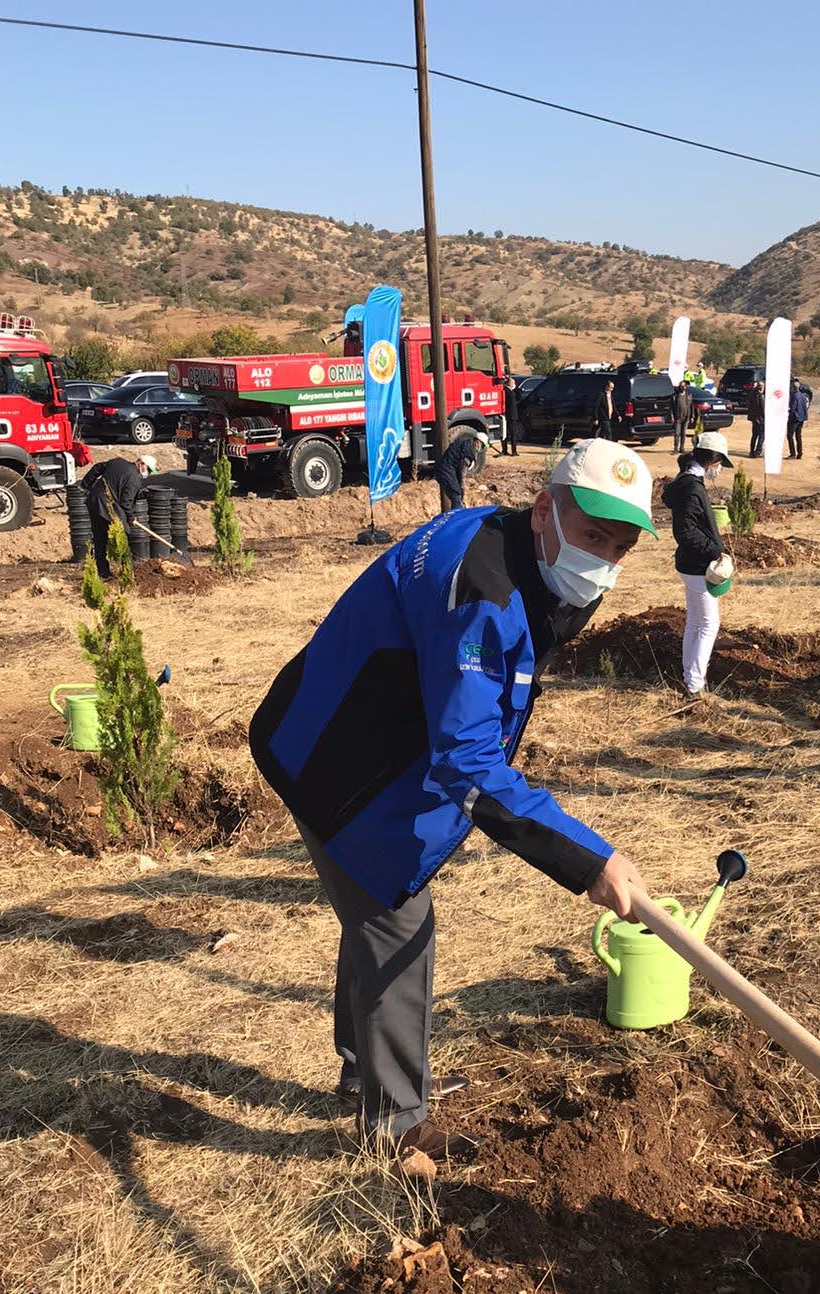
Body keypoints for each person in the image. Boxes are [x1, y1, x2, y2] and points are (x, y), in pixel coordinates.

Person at [249, 438, 656, 1162]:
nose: (606, 557)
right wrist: (589, 860)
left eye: (622, 545)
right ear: (543, 511)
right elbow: (466, 759)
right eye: (594, 535)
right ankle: (395, 1125)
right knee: (398, 922)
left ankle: (364, 1073)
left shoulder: (533, 557)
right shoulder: (481, 593)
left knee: (374, 916)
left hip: (359, 726)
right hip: (331, 754)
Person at [662, 431, 733, 699]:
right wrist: (714, 549)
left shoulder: (688, 483)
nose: (720, 470)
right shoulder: (692, 488)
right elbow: (685, 532)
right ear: (712, 460)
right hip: (697, 564)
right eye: (720, 464)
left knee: (695, 622)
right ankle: (694, 685)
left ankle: (689, 677)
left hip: (691, 563)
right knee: (709, 624)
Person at [82, 453, 156, 577]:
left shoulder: (118, 461)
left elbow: (98, 468)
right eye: (148, 469)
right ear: (141, 464)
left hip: (94, 502)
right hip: (107, 508)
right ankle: (127, 571)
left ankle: (103, 573)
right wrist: (131, 517)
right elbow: (126, 501)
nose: (147, 473)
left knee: (100, 539)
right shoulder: (135, 479)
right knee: (123, 536)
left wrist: (86, 485)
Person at [433, 429, 484, 510]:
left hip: (441, 469)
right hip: (446, 471)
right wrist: (463, 488)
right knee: (456, 494)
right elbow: (462, 472)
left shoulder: (464, 441)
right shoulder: (470, 450)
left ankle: (455, 513)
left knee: (456, 493)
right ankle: (456, 518)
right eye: (483, 446)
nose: (481, 449)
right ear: (478, 442)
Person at [787, 378, 810, 459]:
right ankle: (800, 453)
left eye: (790, 388)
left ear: (793, 388)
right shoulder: (803, 395)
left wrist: (788, 413)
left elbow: (793, 408)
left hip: (795, 418)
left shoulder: (794, 396)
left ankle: (793, 453)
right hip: (801, 418)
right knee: (798, 436)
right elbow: (805, 407)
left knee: (790, 435)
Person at [501, 374, 520, 457]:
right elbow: (512, 397)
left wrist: (516, 388)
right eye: (513, 382)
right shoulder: (507, 391)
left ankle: (512, 450)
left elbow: (519, 397)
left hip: (512, 415)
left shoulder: (512, 391)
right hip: (509, 415)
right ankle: (507, 450)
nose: (514, 384)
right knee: (509, 434)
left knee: (512, 433)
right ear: (509, 383)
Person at [673, 382, 693, 454]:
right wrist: (672, 416)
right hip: (678, 417)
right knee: (677, 433)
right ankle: (676, 448)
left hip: (686, 417)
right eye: (680, 386)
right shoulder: (675, 396)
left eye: (683, 386)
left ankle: (682, 448)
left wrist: (692, 416)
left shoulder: (689, 395)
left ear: (685, 387)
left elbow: (691, 407)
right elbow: (672, 407)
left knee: (683, 433)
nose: (682, 387)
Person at [746, 379, 765, 458]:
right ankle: (758, 451)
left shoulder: (752, 394)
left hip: (754, 418)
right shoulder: (760, 396)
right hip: (760, 419)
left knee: (754, 435)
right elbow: (762, 408)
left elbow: (750, 406)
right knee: (761, 435)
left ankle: (752, 451)